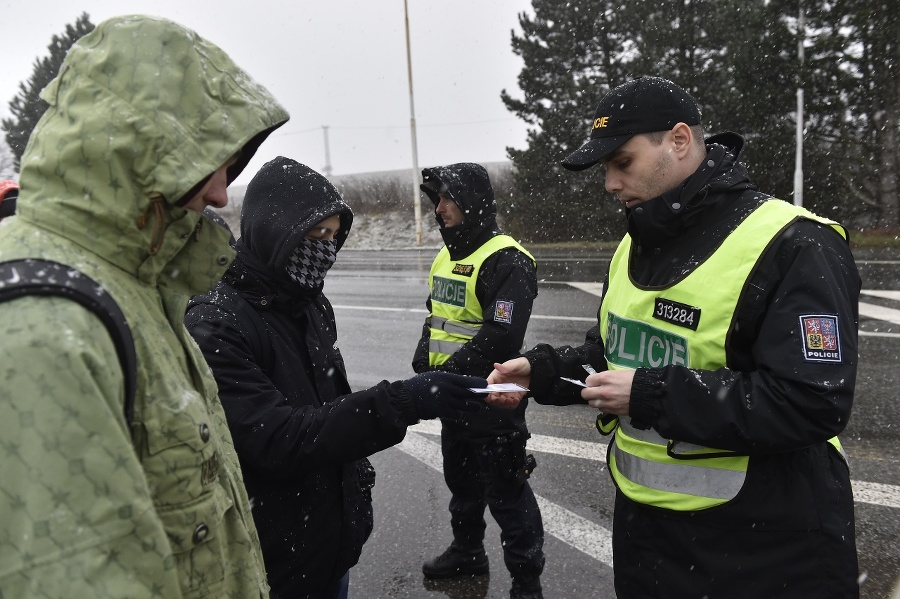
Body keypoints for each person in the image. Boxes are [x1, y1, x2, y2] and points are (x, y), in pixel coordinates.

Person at [488, 76, 861, 598]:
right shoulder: (633, 244)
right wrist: (547, 371)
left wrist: (649, 394)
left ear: (680, 141)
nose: (610, 184)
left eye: (623, 163)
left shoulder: (795, 244)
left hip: (767, 550)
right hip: (648, 540)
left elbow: (811, 402)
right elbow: (614, 354)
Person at [0, 15, 291, 598]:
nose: (220, 192)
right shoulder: (46, 329)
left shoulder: (138, 289)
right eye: (207, 159)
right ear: (142, 148)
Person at [184, 155, 488, 599]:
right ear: (274, 230)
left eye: (332, 236)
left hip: (328, 541)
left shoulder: (308, 302)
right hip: (272, 560)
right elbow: (279, 438)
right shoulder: (217, 322)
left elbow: (328, 404)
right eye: (313, 235)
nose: (324, 249)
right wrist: (403, 401)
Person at [413, 163, 545, 599]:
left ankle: (527, 583)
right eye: (437, 200)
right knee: (462, 482)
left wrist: (447, 373)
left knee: (507, 493)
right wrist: (424, 355)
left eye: (448, 199)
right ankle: (467, 552)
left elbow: (502, 334)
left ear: (472, 203)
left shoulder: (507, 260)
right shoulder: (446, 255)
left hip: (492, 397)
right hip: (454, 398)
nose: (440, 209)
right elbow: (438, 315)